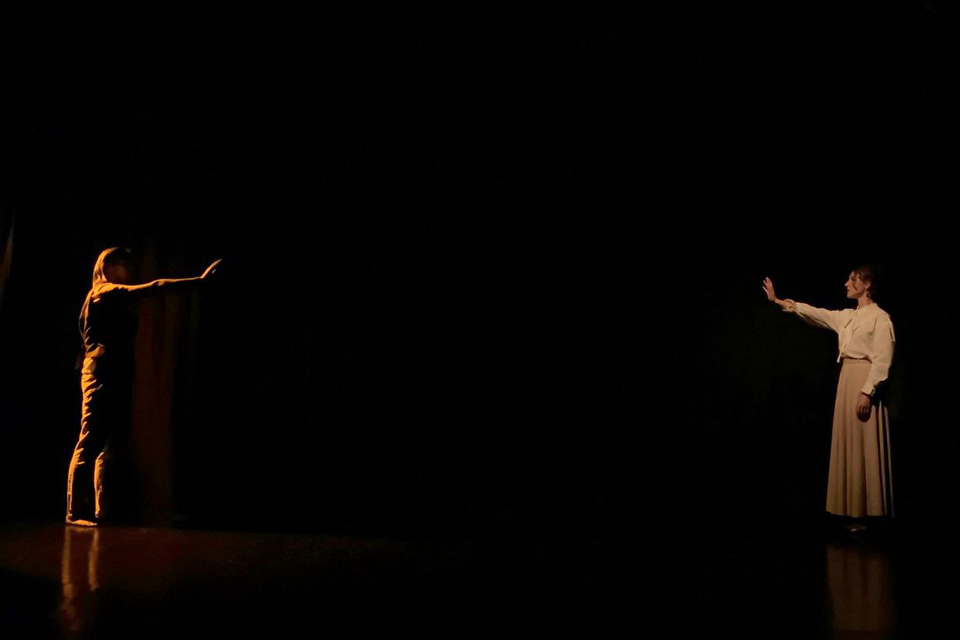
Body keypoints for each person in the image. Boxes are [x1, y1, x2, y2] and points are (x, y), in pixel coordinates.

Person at [65, 248, 221, 527]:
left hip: (116, 373)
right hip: (103, 374)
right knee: (91, 441)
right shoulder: (103, 292)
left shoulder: (107, 299)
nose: (124, 269)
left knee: (109, 444)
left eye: (126, 264)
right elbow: (154, 287)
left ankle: (102, 509)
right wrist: (198, 281)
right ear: (105, 267)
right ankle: (75, 511)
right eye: (117, 263)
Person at [761, 266, 896, 534]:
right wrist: (779, 302)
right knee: (849, 442)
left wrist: (867, 391)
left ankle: (872, 513)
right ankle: (852, 509)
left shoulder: (880, 319)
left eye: (853, 279)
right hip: (847, 378)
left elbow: (882, 360)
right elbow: (817, 314)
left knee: (864, 443)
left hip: (863, 380)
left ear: (867, 285)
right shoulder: (847, 317)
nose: (846, 283)